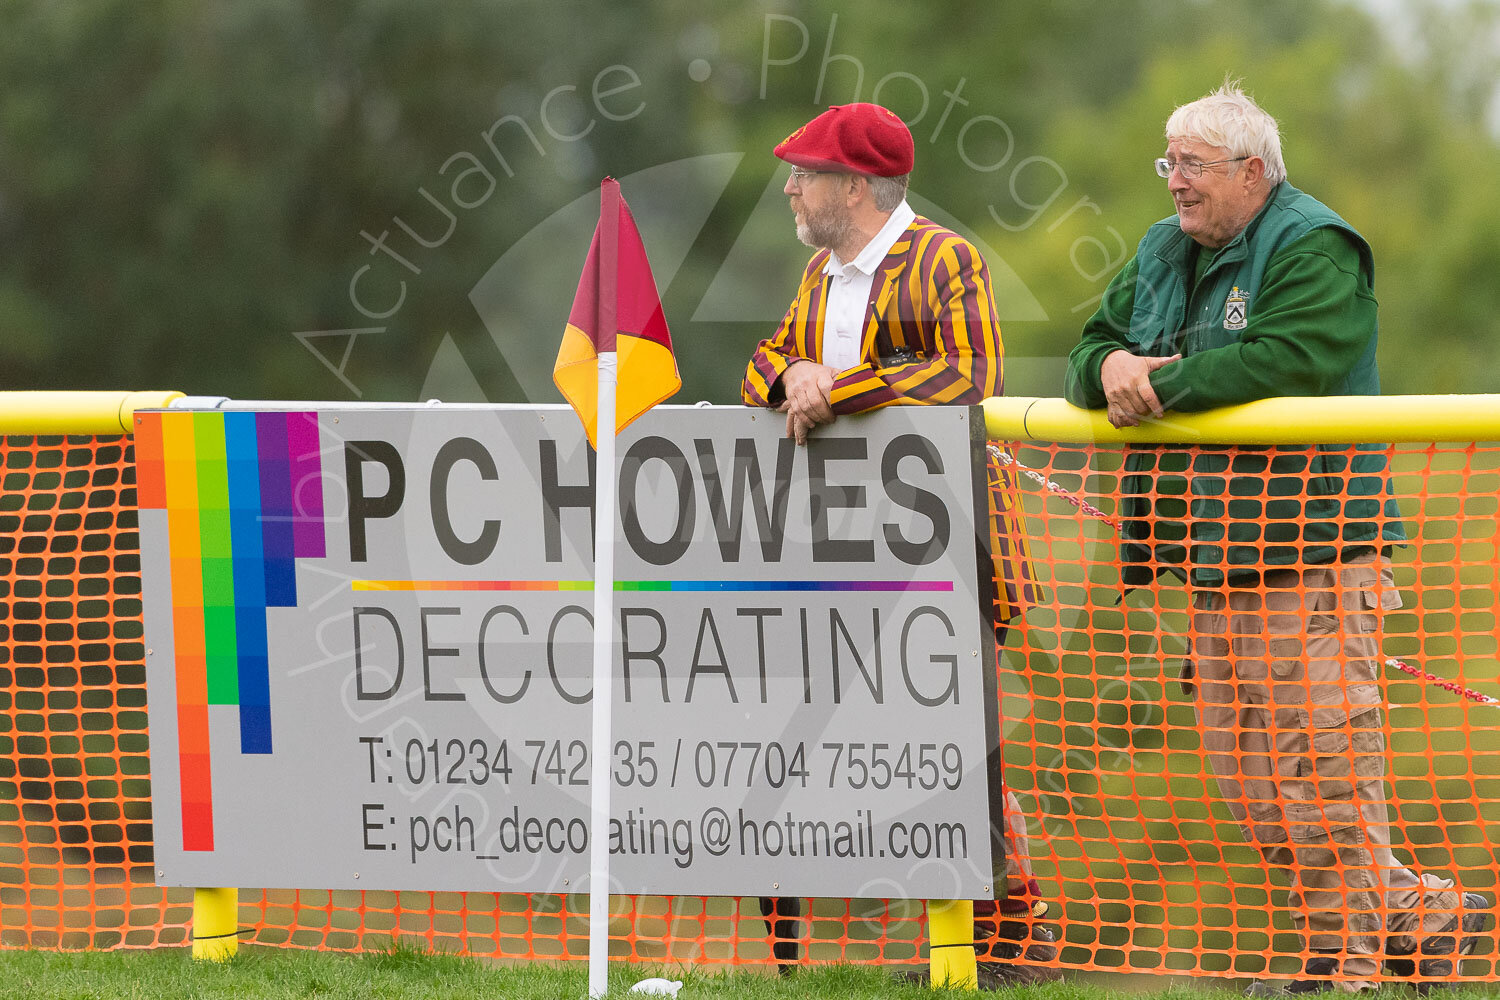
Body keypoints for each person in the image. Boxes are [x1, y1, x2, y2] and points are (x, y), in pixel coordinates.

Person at [1063, 83, 1490, 994]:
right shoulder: (1158, 247)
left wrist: (1156, 388)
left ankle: (1346, 967)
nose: (1172, 181)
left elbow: (1292, 358)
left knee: (1325, 771)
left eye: (1190, 165)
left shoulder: (1316, 245)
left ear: (1251, 172)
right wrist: (1109, 365)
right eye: (1167, 162)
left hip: (1314, 553)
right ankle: (1426, 915)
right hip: (1215, 563)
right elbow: (1086, 349)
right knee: (1252, 784)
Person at [741, 102, 1052, 984]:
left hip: (951, 550)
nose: (792, 186)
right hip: (846, 555)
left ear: (855, 185)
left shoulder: (946, 257)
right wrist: (793, 374)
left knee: (967, 746)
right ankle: (981, 935)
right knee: (901, 751)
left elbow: (968, 374)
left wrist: (837, 389)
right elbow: (761, 361)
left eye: (806, 172)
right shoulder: (819, 274)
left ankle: (1006, 942)